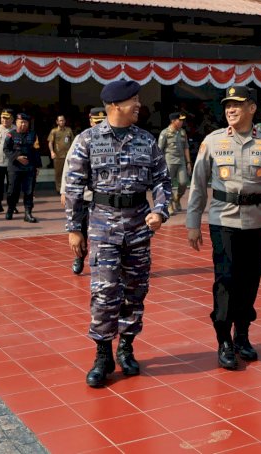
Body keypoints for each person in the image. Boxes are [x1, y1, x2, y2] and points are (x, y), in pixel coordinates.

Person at [65, 80, 171, 388]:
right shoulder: (88, 140)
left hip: (138, 225)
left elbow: (163, 182)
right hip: (102, 227)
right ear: (115, 106)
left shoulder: (146, 141)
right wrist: (74, 229)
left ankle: (126, 348)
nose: (138, 105)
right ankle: (102, 354)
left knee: (135, 290)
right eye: (133, 101)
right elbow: (73, 187)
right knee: (104, 292)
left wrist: (160, 212)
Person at [186, 85, 261, 370]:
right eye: (227, 105)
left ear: (252, 108)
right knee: (226, 280)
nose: (230, 110)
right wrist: (192, 222)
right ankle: (223, 339)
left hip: (256, 221)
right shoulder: (212, 141)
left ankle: (242, 336)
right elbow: (198, 184)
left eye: (237, 104)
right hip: (223, 221)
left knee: (249, 280)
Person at [61, 108, 105, 275]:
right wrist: (64, 191)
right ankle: (80, 257)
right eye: (96, 121)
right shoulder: (82, 138)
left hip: (104, 198)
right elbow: (69, 165)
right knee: (83, 230)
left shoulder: (112, 138)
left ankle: (103, 263)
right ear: (90, 120)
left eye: (102, 121)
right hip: (84, 195)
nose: (99, 125)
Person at [4, 113, 42, 222]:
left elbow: (36, 151)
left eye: (25, 122)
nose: (23, 124)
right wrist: (17, 157)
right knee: (12, 191)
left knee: (29, 191)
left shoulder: (33, 135)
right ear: (16, 122)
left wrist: (37, 166)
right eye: (21, 122)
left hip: (29, 168)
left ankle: (28, 213)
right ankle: (10, 209)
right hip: (15, 168)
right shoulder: (11, 135)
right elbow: (6, 149)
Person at [158, 112, 190, 213]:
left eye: (182, 120)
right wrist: (160, 164)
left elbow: (186, 147)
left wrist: (188, 162)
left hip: (181, 162)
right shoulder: (165, 133)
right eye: (179, 120)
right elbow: (160, 149)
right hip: (169, 161)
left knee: (183, 182)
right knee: (168, 184)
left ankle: (177, 198)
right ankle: (170, 204)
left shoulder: (182, 132)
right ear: (173, 121)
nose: (181, 122)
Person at [47, 115, 74, 194]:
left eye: (63, 120)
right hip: (58, 156)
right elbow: (50, 142)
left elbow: (72, 141)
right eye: (60, 120)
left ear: (65, 121)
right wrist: (52, 152)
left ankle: (68, 187)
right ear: (57, 122)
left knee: (68, 172)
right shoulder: (54, 131)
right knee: (58, 173)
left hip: (68, 155)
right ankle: (59, 189)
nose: (61, 122)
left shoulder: (69, 130)